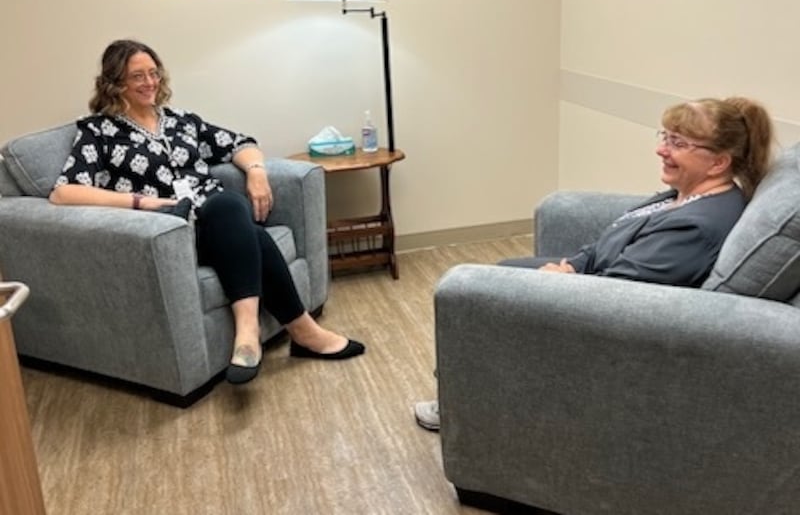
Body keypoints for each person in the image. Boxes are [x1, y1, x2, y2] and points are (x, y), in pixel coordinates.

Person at [414, 96, 775, 431]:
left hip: (598, 315)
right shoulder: (684, 195)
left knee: (476, 297)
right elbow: (612, 238)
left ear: (718, 162)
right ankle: (466, 392)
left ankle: (461, 408)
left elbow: (619, 298)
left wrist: (564, 284)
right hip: (589, 279)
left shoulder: (696, 228)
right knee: (504, 269)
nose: (661, 149)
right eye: (665, 136)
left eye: (678, 143)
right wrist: (572, 266)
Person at [49, 39, 365, 386]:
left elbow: (240, 143)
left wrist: (256, 172)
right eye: (138, 76)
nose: (150, 82)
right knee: (242, 221)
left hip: (219, 219)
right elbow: (64, 191)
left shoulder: (181, 121)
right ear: (115, 83)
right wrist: (142, 202)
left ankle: (251, 336)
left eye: (154, 73)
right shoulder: (98, 131)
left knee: (228, 207)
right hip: (170, 228)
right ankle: (300, 332)